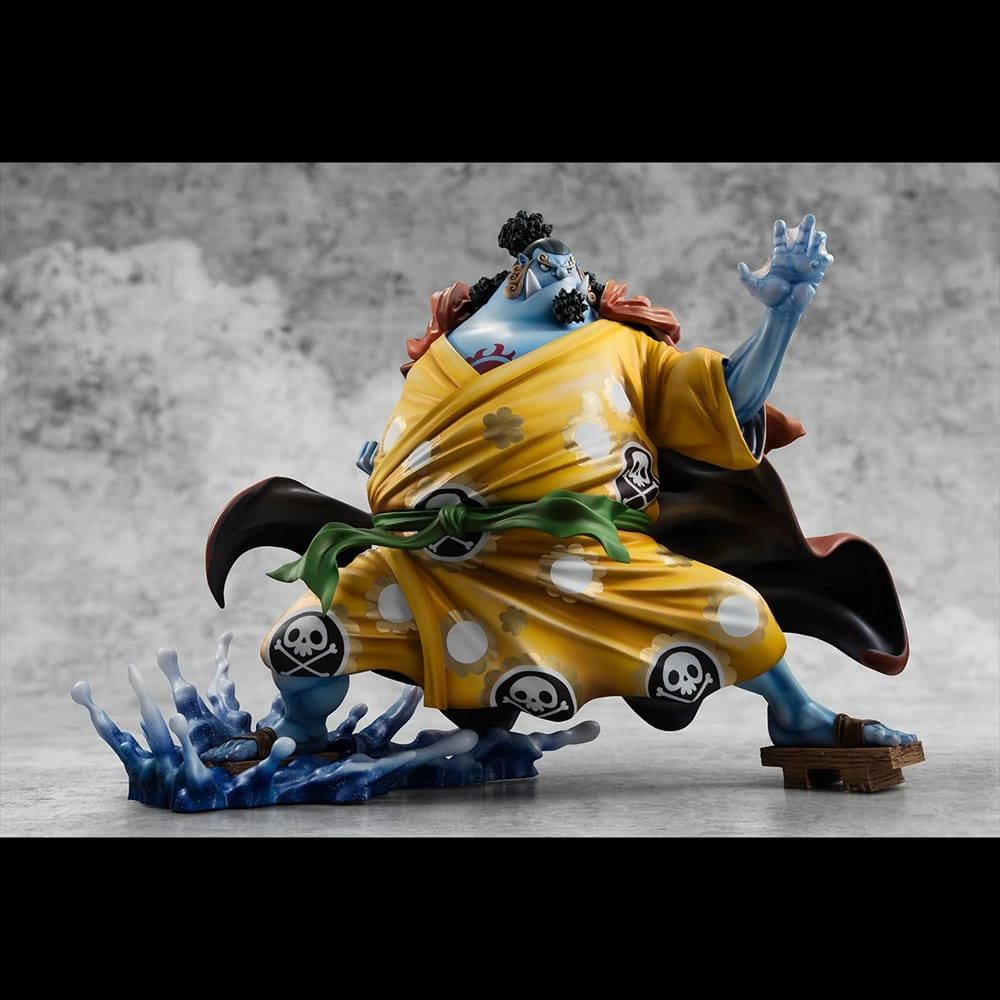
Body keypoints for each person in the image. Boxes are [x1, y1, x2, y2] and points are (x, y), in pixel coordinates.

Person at [202, 210, 917, 767]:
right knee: (302, 636)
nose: (569, 272)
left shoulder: (622, 348)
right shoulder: (440, 356)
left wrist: (783, 314)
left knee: (738, 612)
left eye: (575, 269)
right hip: (426, 565)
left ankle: (798, 719)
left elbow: (729, 397)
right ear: (517, 272)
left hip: (581, 561)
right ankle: (295, 731)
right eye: (552, 264)